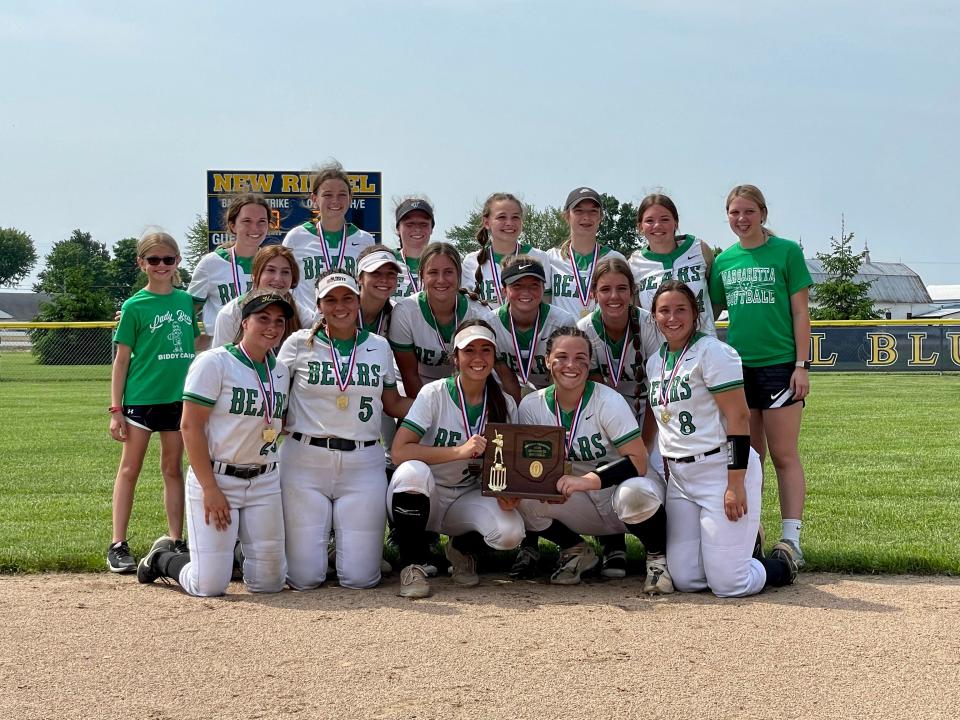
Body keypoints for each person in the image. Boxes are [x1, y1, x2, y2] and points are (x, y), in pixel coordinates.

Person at [136, 291, 294, 596]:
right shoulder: (214, 362)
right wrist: (210, 488)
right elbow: (189, 425)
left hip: (264, 480)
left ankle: (230, 555)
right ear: (245, 322)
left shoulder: (280, 370)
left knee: (270, 583)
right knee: (208, 585)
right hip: (218, 477)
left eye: (279, 321)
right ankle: (162, 558)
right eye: (263, 318)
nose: (272, 327)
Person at [646, 280, 798, 596]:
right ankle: (739, 547)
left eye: (680, 310)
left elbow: (739, 417)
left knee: (730, 584)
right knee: (686, 580)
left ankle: (780, 565)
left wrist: (735, 483)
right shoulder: (655, 361)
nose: (672, 317)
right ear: (654, 316)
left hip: (719, 470)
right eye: (664, 311)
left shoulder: (713, 352)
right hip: (681, 478)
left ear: (696, 314)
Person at [277, 270, 411, 590]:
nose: (340, 306)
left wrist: (441, 406)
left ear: (357, 300)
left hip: (362, 462)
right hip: (305, 460)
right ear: (319, 305)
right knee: (303, 578)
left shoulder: (378, 346)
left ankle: (339, 548)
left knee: (361, 578)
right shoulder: (297, 344)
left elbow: (392, 403)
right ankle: (319, 548)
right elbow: (274, 397)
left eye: (348, 298)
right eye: (331, 300)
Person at [516, 327, 672, 592]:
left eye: (580, 358)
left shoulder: (607, 401)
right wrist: (545, 487)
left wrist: (585, 481)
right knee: (523, 498)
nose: (571, 365)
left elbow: (638, 461)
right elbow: (534, 465)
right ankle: (576, 549)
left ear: (590, 363)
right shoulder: (531, 405)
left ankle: (657, 559)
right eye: (562, 356)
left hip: (623, 494)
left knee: (635, 493)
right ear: (547, 361)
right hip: (582, 501)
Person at [709, 184, 813, 565]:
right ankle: (750, 533)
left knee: (784, 454)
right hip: (739, 367)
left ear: (763, 213)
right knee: (750, 459)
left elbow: (801, 312)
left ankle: (791, 539)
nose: (741, 219)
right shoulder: (725, 261)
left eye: (748, 212)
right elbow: (711, 309)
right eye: (734, 213)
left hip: (781, 366)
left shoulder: (786, 252)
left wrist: (801, 365)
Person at [389, 320, 525, 598]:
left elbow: (509, 464)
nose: (478, 358)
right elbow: (400, 451)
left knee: (510, 532)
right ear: (456, 357)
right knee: (411, 472)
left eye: (486, 350)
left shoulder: (504, 403)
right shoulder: (434, 393)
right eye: (469, 350)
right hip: (427, 493)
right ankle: (411, 564)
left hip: (467, 496)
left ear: (494, 356)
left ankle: (462, 549)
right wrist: (458, 452)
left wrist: (508, 493)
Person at [107, 232, 198, 572]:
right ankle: (118, 543)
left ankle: (176, 539)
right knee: (129, 469)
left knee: (172, 469)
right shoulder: (134, 306)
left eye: (168, 259)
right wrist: (116, 408)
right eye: (154, 260)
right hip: (142, 399)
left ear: (178, 262)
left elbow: (194, 339)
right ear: (142, 263)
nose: (161, 266)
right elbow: (121, 360)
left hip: (178, 399)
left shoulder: (186, 302)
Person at [575, 257, 662, 579]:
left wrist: (647, 442)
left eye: (622, 289)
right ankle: (613, 546)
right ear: (594, 293)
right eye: (606, 289)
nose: (614, 296)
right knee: (604, 471)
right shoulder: (584, 330)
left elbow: (658, 390)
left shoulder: (649, 324)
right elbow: (593, 395)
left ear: (633, 291)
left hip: (650, 420)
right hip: (605, 424)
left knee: (647, 483)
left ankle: (660, 546)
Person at [389, 242, 521, 400]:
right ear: (422, 275)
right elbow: (409, 376)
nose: (441, 279)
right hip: (418, 388)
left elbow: (504, 374)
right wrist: (428, 414)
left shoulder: (478, 314)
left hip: (464, 388)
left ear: (459, 275)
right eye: (433, 272)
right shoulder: (406, 312)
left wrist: (517, 419)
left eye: (448, 272)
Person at [283, 161, 376, 320]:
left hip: (348, 325)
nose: (335, 200)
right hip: (306, 327)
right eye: (327, 195)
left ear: (350, 198)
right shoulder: (296, 237)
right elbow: (285, 285)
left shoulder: (365, 240)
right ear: (314, 198)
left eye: (342, 194)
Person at [629, 193, 717, 336]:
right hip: (660, 352)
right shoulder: (634, 263)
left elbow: (716, 299)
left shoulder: (699, 249)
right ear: (640, 227)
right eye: (649, 221)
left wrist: (705, 325)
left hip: (704, 346)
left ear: (676, 222)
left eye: (665, 219)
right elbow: (637, 313)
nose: (657, 225)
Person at [188, 193, 268, 348]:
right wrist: (199, 341)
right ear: (233, 225)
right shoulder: (211, 263)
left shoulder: (273, 264)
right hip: (221, 354)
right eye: (247, 221)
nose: (255, 228)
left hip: (262, 352)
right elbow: (188, 311)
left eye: (261, 222)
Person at [490, 255, 575, 394]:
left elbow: (561, 377)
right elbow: (507, 379)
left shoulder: (562, 322)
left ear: (543, 288)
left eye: (534, 285)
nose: (526, 292)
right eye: (517, 285)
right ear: (504, 290)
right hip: (509, 390)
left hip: (553, 389)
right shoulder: (490, 324)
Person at [460, 193, 553, 308]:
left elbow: (546, 303)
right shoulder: (471, 261)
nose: (509, 223)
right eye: (501, 217)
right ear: (486, 223)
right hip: (483, 325)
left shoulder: (538, 257)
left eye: (515, 217)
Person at [546, 187, 626, 320]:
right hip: (563, 338)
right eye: (578, 211)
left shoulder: (615, 259)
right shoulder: (550, 258)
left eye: (593, 211)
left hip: (601, 338)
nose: (586, 217)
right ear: (567, 215)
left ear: (601, 217)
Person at [212, 245, 309, 348]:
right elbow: (220, 359)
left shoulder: (300, 313)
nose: (278, 278)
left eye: (285, 272)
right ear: (255, 274)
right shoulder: (231, 314)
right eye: (271, 270)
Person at [392, 197, 435, 299]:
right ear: (398, 228)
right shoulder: (385, 260)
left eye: (423, 224)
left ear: (431, 228)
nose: (417, 229)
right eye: (409, 224)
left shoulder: (444, 262)